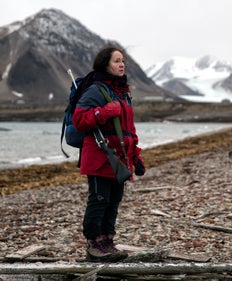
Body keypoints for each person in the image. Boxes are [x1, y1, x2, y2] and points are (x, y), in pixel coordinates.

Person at [72, 46, 146, 262]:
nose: (121, 64)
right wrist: (103, 112)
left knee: (113, 201)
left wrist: (136, 156)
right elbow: (79, 120)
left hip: (119, 158)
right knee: (99, 199)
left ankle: (107, 242)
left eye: (122, 60)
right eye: (116, 61)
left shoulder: (123, 92)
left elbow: (129, 130)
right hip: (99, 156)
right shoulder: (96, 90)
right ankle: (93, 244)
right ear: (105, 64)